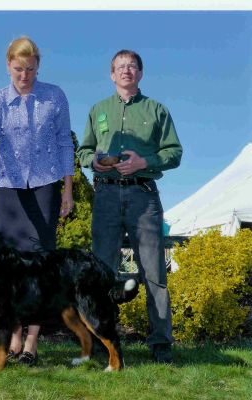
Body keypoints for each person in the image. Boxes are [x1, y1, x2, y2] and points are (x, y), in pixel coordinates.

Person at [0, 36, 74, 366]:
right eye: (18, 69)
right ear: (8, 66)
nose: (24, 75)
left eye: (30, 69)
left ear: (38, 66)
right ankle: (14, 333)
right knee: (8, 266)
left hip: (45, 185)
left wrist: (68, 188)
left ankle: (31, 342)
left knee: (41, 264)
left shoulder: (54, 96)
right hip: (6, 187)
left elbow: (64, 144)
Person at [77, 50, 182, 363]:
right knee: (99, 274)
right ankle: (100, 343)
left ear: (140, 73)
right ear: (112, 74)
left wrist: (143, 162)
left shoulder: (157, 110)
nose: (126, 71)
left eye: (132, 66)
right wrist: (94, 161)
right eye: (120, 67)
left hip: (143, 196)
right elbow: (83, 152)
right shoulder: (98, 110)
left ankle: (161, 345)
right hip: (106, 197)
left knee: (154, 273)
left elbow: (174, 152)